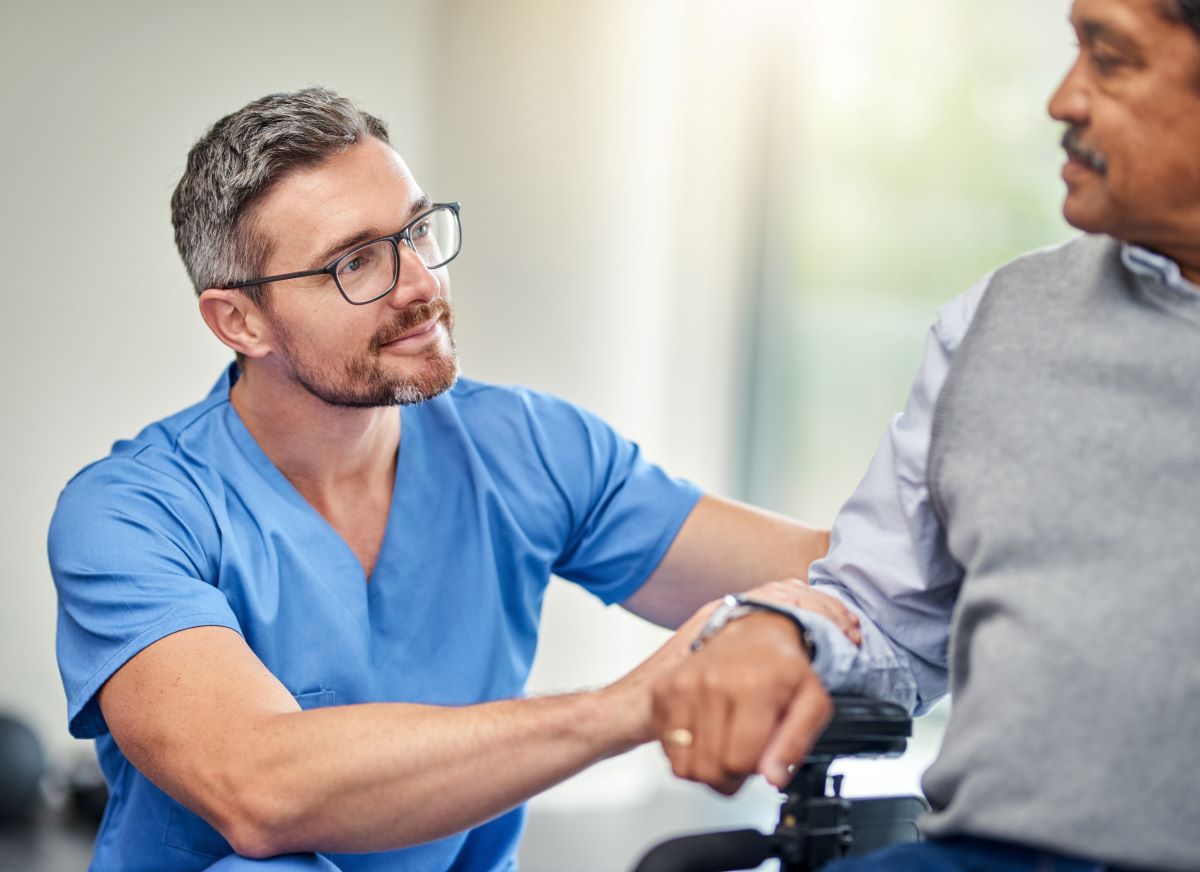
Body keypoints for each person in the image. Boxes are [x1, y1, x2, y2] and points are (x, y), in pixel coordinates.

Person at [47, 89, 858, 871]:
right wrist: (631, 706)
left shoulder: (525, 447)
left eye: (418, 231)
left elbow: (848, 581)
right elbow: (259, 789)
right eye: (355, 262)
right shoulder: (131, 515)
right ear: (240, 321)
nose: (421, 284)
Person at [651, 0, 1200, 869]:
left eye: (1112, 59)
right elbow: (886, 616)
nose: (1063, 99)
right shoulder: (998, 322)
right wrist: (781, 630)